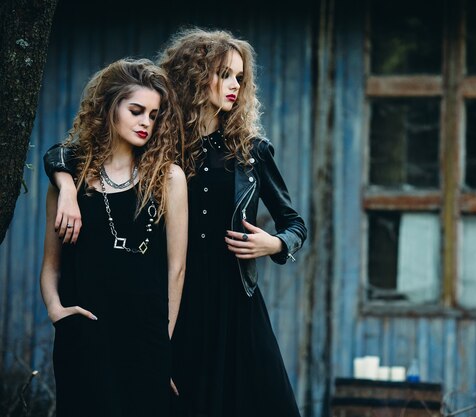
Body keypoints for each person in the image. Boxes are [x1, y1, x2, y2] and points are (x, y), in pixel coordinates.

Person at [43, 29, 307, 417]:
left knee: (264, 400)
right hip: (175, 299)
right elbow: (71, 152)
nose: (234, 85)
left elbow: (295, 224)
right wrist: (65, 184)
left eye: (239, 77)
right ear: (195, 75)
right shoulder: (162, 140)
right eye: (224, 74)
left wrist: (276, 244)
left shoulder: (251, 151)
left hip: (234, 300)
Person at [39, 58, 188, 417]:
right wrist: (57, 313)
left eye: (153, 115)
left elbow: (176, 269)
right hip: (85, 341)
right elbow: (50, 267)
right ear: (109, 107)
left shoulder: (168, 179)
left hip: (145, 342)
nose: (145, 123)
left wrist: (161, 347)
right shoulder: (69, 184)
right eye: (136, 110)